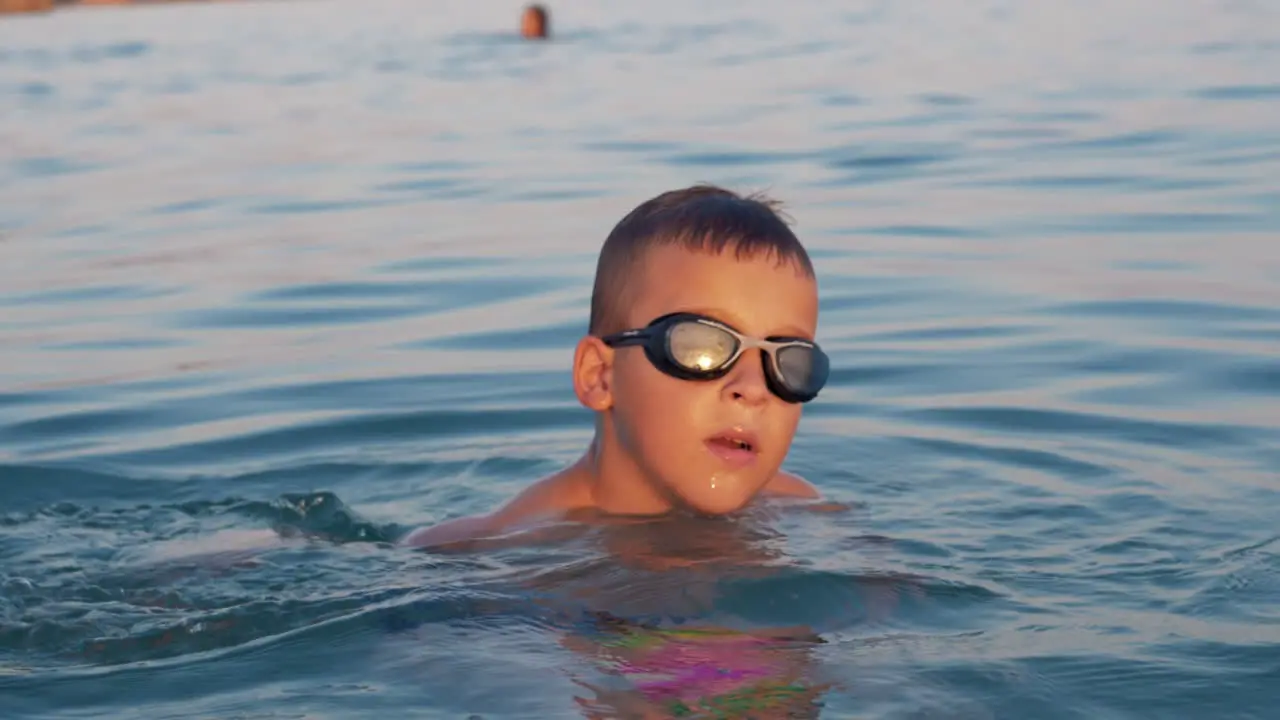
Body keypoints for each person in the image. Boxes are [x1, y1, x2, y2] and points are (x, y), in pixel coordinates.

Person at [402, 184, 831, 550]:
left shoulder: (803, 510)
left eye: (788, 361)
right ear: (600, 376)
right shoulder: (495, 551)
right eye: (700, 345)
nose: (753, 388)